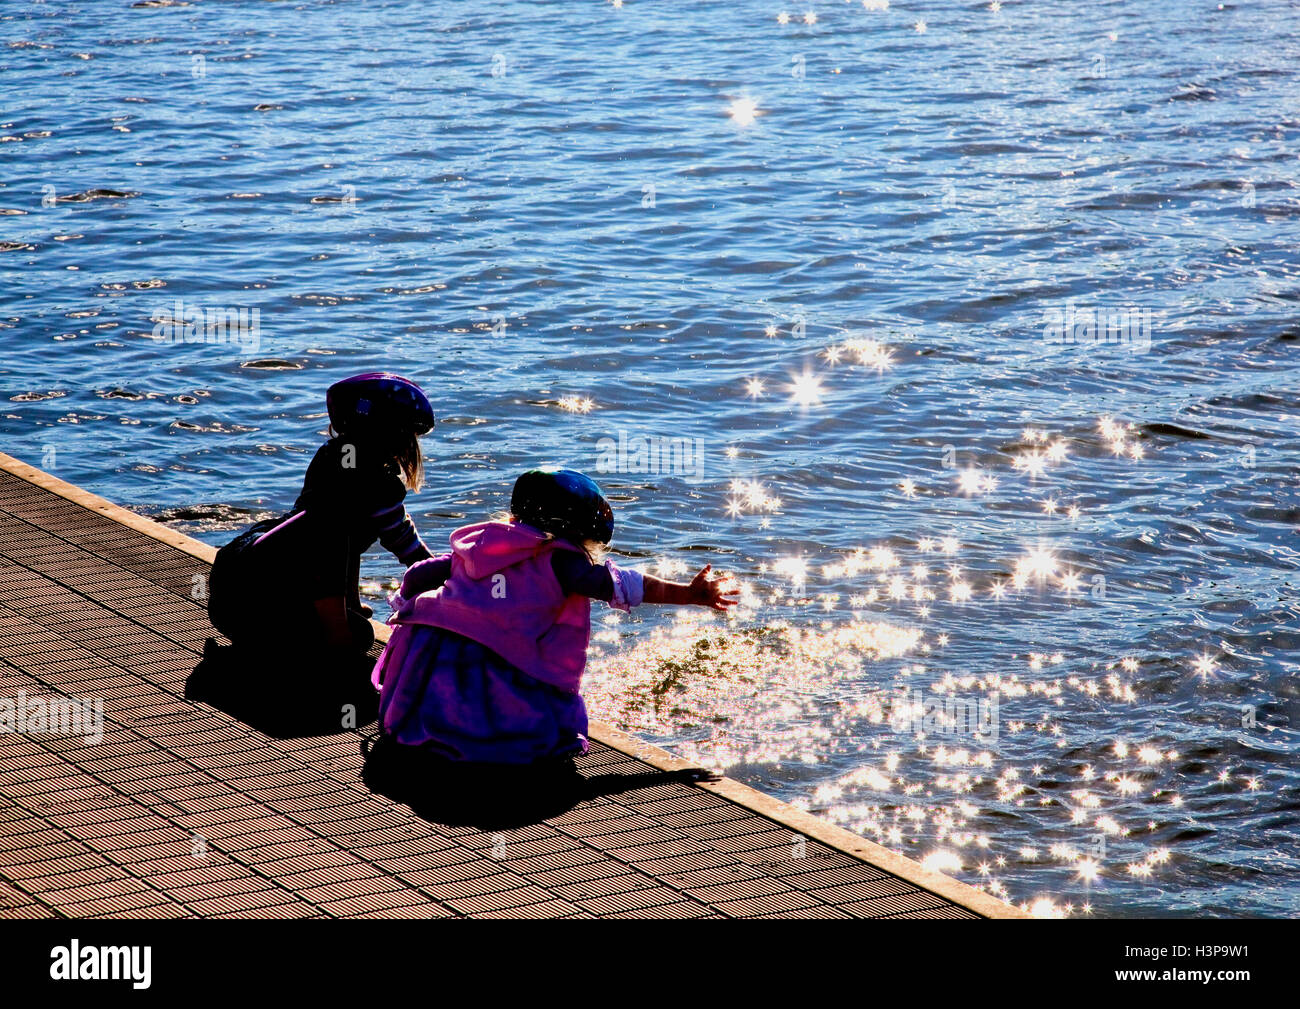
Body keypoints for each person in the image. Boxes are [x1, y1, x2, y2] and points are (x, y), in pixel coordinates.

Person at [370, 468, 737, 771]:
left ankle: (426, 729)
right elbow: (617, 583)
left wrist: (402, 605)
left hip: (434, 640)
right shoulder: (561, 559)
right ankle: (475, 743)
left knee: (453, 683)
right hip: (492, 654)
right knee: (505, 712)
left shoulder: (486, 543)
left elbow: (422, 573)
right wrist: (687, 594)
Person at [206, 373, 435, 663]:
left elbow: (348, 545)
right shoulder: (377, 485)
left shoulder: (329, 457)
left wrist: (351, 603)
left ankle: (334, 619)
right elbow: (407, 549)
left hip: (232, 584)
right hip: (254, 608)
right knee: (359, 634)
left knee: (332, 529)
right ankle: (333, 633)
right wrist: (455, 576)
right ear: (391, 436)